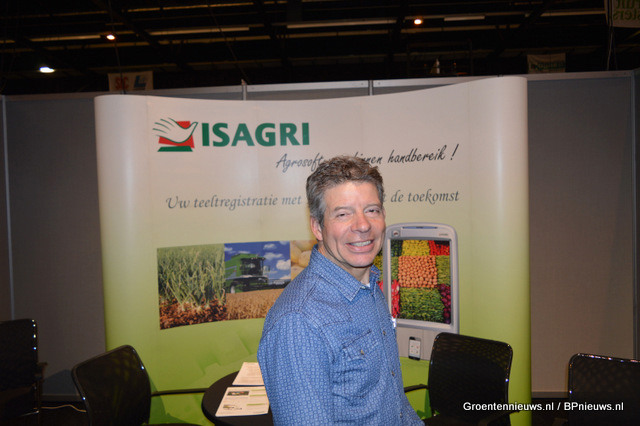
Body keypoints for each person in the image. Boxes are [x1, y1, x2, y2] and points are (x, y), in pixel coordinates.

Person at [257, 155, 422, 425]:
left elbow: (393, 403)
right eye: (343, 214)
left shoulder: (369, 286)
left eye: (372, 210)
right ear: (317, 227)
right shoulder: (298, 323)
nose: (363, 225)